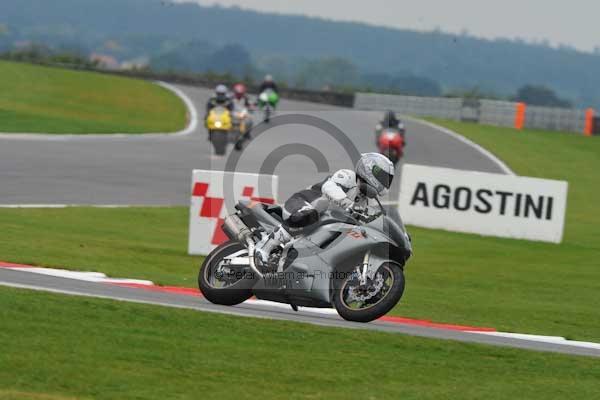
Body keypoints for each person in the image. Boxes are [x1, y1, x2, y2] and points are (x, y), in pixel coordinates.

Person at [255, 153, 395, 264]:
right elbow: (328, 188)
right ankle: (265, 246)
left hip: (320, 225)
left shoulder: (365, 201)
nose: (384, 182)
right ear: (370, 169)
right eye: (383, 177)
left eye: (387, 179)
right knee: (312, 213)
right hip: (301, 204)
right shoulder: (348, 176)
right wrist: (348, 204)